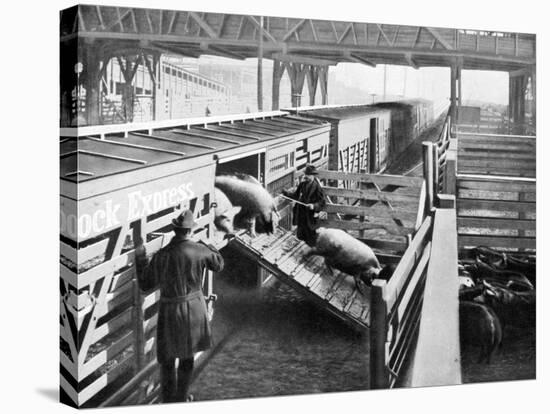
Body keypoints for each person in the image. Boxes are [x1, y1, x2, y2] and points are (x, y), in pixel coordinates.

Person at [134, 209, 224, 403]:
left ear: (175, 231)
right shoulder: (200, 250)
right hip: (194, 309)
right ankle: (182, 398)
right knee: (187, 356)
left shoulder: (162, 254)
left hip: (170, 311)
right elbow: (218, 264)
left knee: (167, 359)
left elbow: (145, 284)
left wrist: (141, 257)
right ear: (190, 231)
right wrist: (208, 244)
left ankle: (168, 401)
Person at [282, 164, 326, 246]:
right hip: (301, 216)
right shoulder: (302, 184)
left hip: (310, 217)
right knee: (300, 237)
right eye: (306, 174)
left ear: (313, 176)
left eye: (308, 175)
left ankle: (310, 255)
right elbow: (295, 196)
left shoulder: (317, 188)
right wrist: (285, 193)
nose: (306, 176)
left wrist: (313, 206)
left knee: (310, 239)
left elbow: (322, 202)